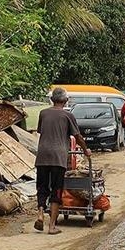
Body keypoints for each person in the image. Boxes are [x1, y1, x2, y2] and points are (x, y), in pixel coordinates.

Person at [34, 88, 91, 235]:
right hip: (58, 157)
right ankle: (52, 226)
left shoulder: (43, 113)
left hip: (42, 156)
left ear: (52, 99)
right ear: (65, 100)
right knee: (57, 190)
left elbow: (40, 131)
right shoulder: (68, 115)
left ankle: (40, 214)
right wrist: (85, 150)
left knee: (42, 187)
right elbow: (77, 137)